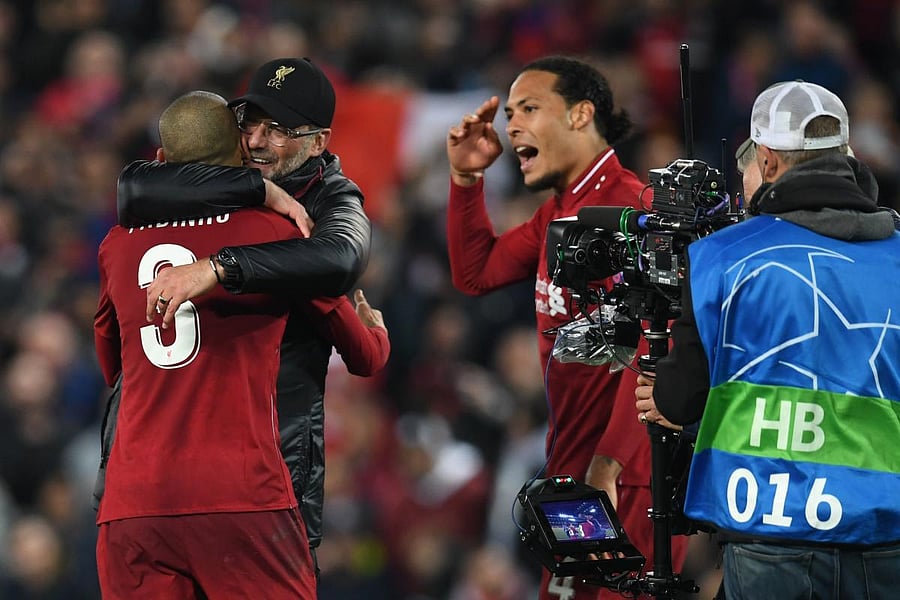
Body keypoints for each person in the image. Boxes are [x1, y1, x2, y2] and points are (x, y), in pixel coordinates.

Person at [96, 57, 374, 568]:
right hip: (163, 476)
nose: (256, 141)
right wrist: (257, 190)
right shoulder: (234, 184)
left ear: (319, 142)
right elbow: (133, 185)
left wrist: (219, 267)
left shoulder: (333, 200)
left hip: (264, 477)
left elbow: (339, 258)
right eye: (250, 123)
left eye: (280, 130)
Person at [445, 55, 688, 599]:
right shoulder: (560, 213)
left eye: (530, 108)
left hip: (629, 477)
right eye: (509, 112)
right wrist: (467, 180)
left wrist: (609, 465)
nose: (511, 125)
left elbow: (660, 344)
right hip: (578, 475)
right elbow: (477, 273)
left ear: (581, 115)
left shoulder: (628, 210)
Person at [648, 80, 900, 599]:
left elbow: (681, 398)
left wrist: (662, 396)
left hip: (771, 537)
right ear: (846, 156)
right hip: (889, 540)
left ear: (766, 162)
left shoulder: (722, 258)